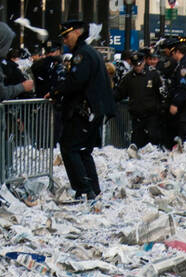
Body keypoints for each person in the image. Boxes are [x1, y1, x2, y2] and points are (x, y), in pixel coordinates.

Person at [53, 20, 115, 203]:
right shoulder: (90, 52)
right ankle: (92, 190)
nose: (65, 40)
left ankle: (84, 189)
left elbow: (76, 81)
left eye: (67, 35)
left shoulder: (82, 55)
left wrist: (57, 91)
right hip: (93, 111)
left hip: (84, 111)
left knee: (70, 147)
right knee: (83, 150)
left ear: (78, 32)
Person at [117, 52, 165, 147]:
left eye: (139, 64)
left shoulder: (153, 74)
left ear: (143, 62)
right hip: (137, 116)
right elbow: (119, 93)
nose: (138, 67)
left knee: (153, 142)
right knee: (137, 142)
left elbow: (162, 93)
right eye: (135, 65)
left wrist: (161, 108)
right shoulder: (128, 77)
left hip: (152, 115)